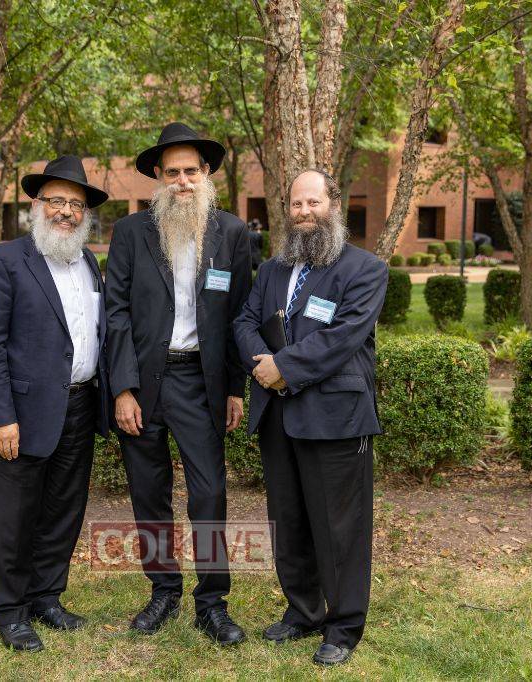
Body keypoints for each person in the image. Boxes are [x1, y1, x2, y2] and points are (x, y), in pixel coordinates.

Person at [233, 169, 388, 667]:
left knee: (340, 528)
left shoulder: (365, 269)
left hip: (335, 417)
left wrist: (284, 367)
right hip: (278, 414)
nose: (304, 212)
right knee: (290, 520)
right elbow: (244, 321)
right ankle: (302, 611)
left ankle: (343, 627)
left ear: (333, 205)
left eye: (313, 203)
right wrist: (263, 366)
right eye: (296, 204)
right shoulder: (273, 269)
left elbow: (342, 337)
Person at [105, 122, 252, 644]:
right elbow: (115, 314)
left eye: (191, 171)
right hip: (144, 383)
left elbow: (239, 316)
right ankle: (163, 590)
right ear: (159, 178)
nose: (183, 181)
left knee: (209, 493)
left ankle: (211, 603)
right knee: (149, 493)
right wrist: (122, 388)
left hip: (200, 382)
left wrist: (234, 387)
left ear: (206, 173)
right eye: (173, 172)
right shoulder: (130, 233)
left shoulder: (232, 233)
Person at [0, 155, 111, 652]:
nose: (66, 212)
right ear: (37, 204)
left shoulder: (88, 262)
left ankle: (46, 597)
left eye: (76, 204)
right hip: (21, 416)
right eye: (57, 201)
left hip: (80, 407)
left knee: (63, 511)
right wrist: (0, 416)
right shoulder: (4, 261)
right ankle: (10, 610)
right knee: (14, 517)